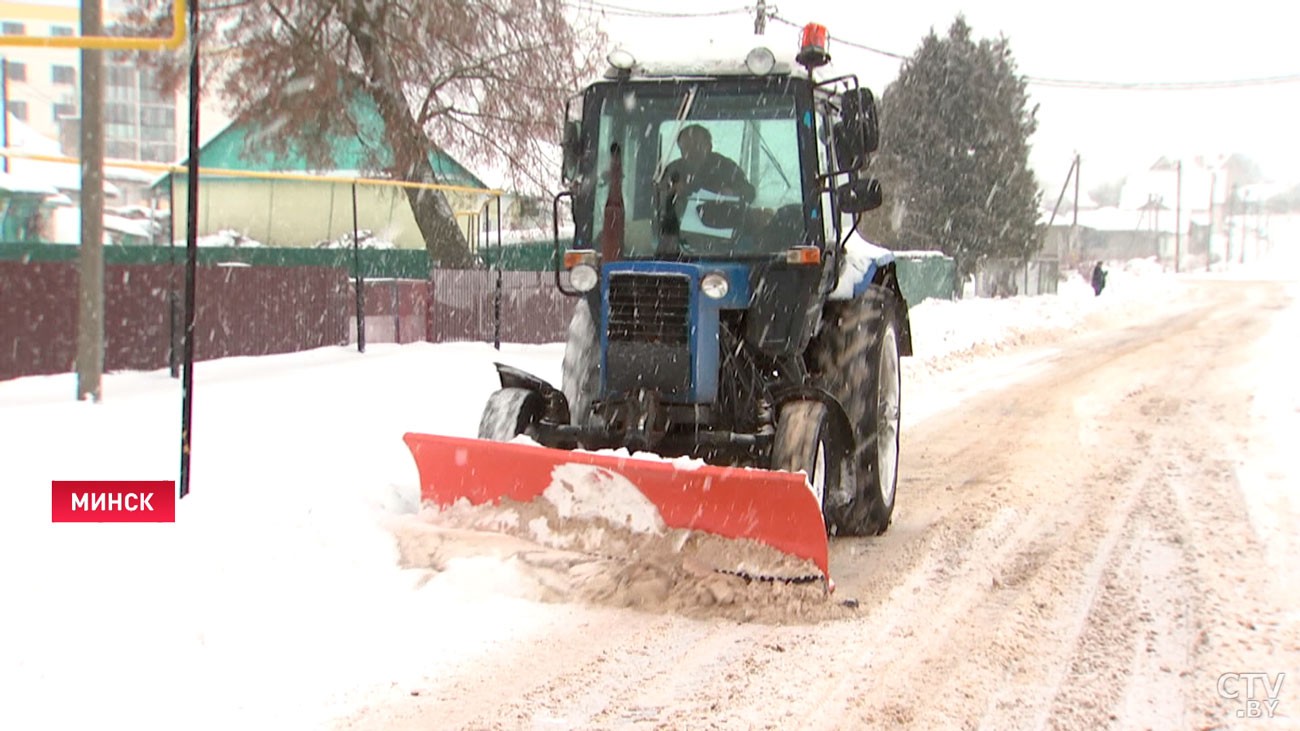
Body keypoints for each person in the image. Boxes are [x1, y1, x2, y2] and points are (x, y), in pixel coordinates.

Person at [661, 125, 755, 204]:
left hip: (721, 222)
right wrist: (671, 192)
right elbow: (655, 196)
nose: (689, 153)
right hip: (678, 223)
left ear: (708, 146)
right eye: (685, 148)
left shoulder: (726, 166)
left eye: (695, 146)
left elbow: (750, 192)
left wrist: (733, 192)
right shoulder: (672, 170)